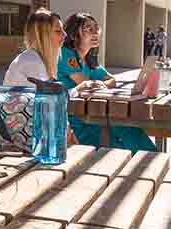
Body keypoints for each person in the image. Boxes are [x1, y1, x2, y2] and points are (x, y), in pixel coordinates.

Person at [57, 12, 155, 151]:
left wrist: (102, 84)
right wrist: (98, 83)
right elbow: (86, 84)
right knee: (120, 145)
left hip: (94, 115)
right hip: (76, 122)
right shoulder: (66, 54)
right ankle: (147, 163)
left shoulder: (89, 59)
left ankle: (152, 161)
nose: (95, 32)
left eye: (96, 28)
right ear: (73, 35)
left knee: (130, 128)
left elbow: (111, 80)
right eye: (88, 29)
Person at [1, 8, 64, 88]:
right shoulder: (32, 62)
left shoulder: (36, 58)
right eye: (58, 31)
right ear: (42, 35)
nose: (65, 34)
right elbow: (46, 98)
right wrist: (75, 91)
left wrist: (75, 91)